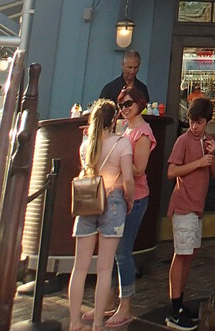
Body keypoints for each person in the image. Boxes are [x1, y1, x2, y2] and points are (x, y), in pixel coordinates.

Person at [68, 100, 134, 331]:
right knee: (105, 268)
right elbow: (128, 179)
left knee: (79, 267)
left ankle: (75, 322)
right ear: (114, 120)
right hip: (113, 199)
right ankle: (97, 323)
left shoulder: (86, 145)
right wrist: (130, 199)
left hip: (89, 200)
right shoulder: (122, 143)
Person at [98, 86, 156, 328]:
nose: (124, 108)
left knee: (123, 252)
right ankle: (110, 301)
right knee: (114, 252)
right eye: (121, 105)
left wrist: (119, 153)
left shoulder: (142, 132)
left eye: (128, 103)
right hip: (118, 195)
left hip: (136, 197)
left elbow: (139, 169)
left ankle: (125, 306)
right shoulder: (125, 129)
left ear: (140, 103)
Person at [165, 96, 215, 330]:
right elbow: (171, 172)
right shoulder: (183, 141)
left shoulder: (208, 141)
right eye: (192, 122)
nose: (195, 126)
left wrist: (213, 155)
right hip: (184, 205)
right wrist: (198, 163)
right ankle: (173, 308)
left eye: (199, 122)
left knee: (189, 255)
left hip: (197, 208)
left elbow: (213, 172)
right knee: (181, 254)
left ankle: (180, 303)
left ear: (207, 122)